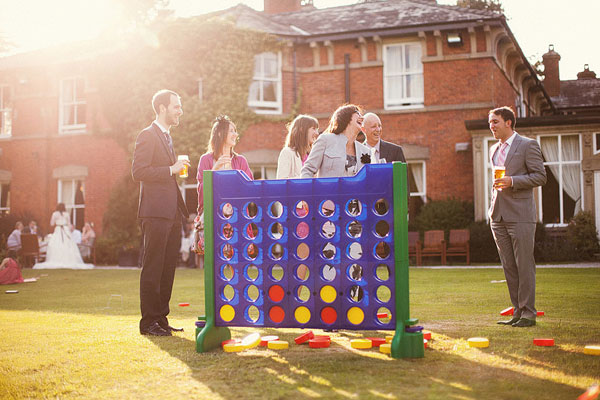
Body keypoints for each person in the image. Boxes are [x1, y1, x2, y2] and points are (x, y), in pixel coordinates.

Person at [132, 89, 190, 337]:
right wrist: (171, 169)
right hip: (154, 213)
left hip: (171, 213)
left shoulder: (167, 137)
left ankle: (161, 319)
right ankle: (148, 323)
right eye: (176, 106)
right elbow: (139, 172)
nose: (180, 111)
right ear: (163, 108)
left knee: (167, 268)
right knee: (153, 267)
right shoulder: (147, 135)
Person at [489, 106, 546, 328]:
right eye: (490, 122)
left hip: (521, 215)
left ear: (508, 122)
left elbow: (540, 176)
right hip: (498, 216)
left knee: (524, 265)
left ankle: (529, 314)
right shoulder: (494, 149)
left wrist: (513, 181)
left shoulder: (527, 145)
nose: (491, 126)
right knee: (509, 267)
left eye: (495, 122)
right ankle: (517, 312)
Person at [196, 115, 254, 216]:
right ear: (219, 133)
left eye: (235, 131)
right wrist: (214, 170)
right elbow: (201, 191)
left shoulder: (240, 161)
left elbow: (251, 189)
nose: (236, 134)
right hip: (214, 217)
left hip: (237, 217)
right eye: (231, 131)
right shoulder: (205, 160)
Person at [300, 104, 370, 178]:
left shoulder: (365, 150)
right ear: (346, 117)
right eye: (358, 113)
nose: (362, 118)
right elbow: (307, 170)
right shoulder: (325, 140)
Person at [33, 203, 93, 269]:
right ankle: (69, 260)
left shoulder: (55, 214)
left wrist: (57, 221)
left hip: (58, 229)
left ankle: (56, 259)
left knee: (56, 244)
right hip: (65, 229)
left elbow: (52, 223)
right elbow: (69, 224)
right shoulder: (66, 214)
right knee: (68, 245)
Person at [276, 114, 319, 179]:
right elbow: (281, 181)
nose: (317, 133)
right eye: (313, 129)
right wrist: (306, 178)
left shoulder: (313, 154)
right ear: (301, 130)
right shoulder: (287, 152)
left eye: (317, 129)